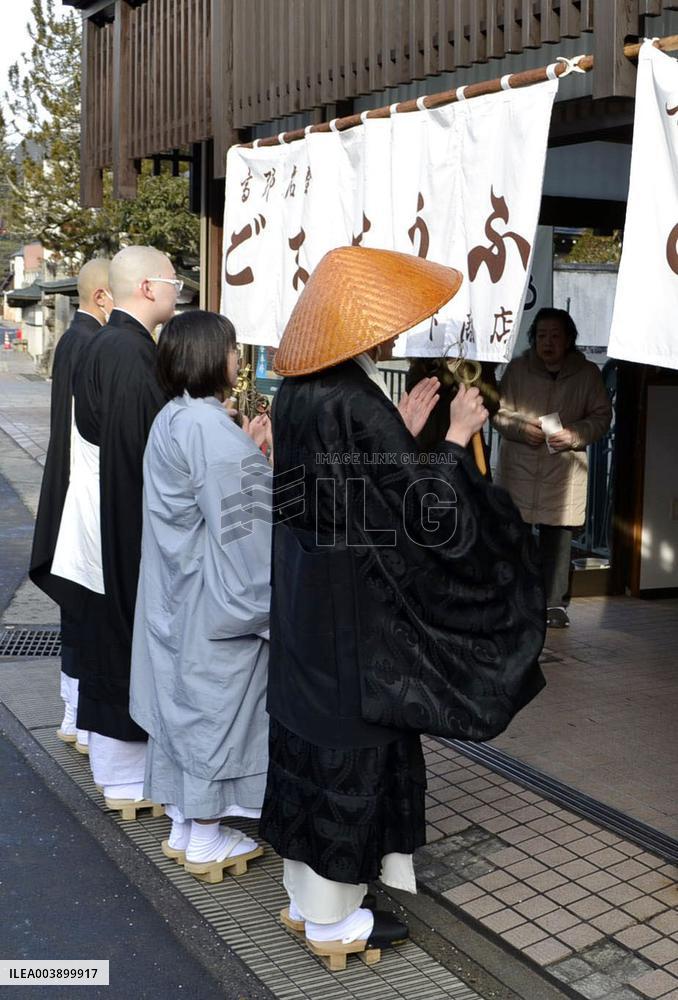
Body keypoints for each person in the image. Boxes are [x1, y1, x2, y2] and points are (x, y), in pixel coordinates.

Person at [259, 246, 546, 971]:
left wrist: (408, 436)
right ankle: (332, 923)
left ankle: (305, 900)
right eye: (381, 326)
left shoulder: (298, 391)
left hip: (305, 591)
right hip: (355, 613)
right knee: (349, 751)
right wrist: (452, 441)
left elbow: (349, 498)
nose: (390, 337)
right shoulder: (353, 399)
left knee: (309, 741)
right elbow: (426, 523)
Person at [130, 311, 272, 884]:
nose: (239, 358)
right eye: (234, 348)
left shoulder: (174, 417)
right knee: (216, 712)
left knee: (182, 710)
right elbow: (244, 532)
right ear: (214, 356)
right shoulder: (211, 430)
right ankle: (208, 835)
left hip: (175, 591)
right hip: (214, 598)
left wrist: (247, 448)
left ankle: (185, 825)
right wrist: (264, 608)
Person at [51, 245, 178, 815]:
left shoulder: (113, 344)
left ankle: (119, 774)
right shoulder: (128, 353)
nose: (181, 290)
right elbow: (134, 457)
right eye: (174, 281)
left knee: (113, 642)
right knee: (125, 643)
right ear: (147, 288)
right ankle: (126, 779)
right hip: (124, 523)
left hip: (107, 518)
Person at [29, 257, 111, 755]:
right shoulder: (94, 344)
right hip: (85, 488)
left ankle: (71, 714)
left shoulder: (71, 340)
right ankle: (81, 720)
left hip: (67, 485)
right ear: (103, 297)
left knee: (78, 608)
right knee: (87, 608)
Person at [493, 307, 612, 628]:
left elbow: (602, 417)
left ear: (569, 340)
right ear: (533, 339)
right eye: (542, 335)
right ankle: (513, 598)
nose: (548, 342)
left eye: (555, 336)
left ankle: (553, 604)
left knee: (558, 540)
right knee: (514, 535)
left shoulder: (587, 374)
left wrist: (575, 434)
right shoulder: (517, 369)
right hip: (521, 465)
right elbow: (500, 413)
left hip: (563, 468)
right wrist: (522, 428)